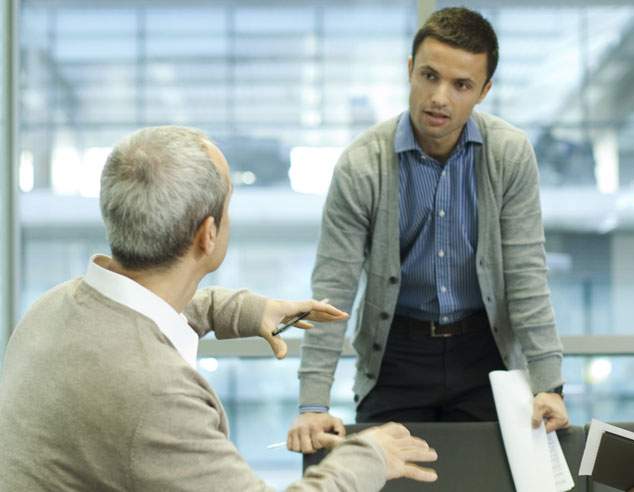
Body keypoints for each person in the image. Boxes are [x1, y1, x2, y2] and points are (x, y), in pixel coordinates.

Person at [0, 126, 437, 491]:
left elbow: (157, 312)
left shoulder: (52, 308)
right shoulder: (156, 395)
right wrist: (371, 456)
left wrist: (248, 310)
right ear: (208, 234)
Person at [289, 6, 568, 453]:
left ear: (484, 90)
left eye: (461, 85)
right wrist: (311, 404)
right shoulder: (362, 165)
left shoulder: (509, 154)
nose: (440, 97)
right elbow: (332, 291)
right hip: (396, 352)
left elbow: (526, 275)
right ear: (409, 71)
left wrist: (549, 382)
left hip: (486, 353)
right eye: (429, 76)